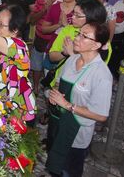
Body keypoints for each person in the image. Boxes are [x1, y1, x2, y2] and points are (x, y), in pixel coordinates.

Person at [46, 21, 112, 177]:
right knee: (56, 164)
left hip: (77, 132)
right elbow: (58, 82)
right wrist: (55, 94)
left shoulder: (102, 75)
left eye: (84, 36)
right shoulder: (72, 60)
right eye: (79, 33)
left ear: (96, 45)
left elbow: (101, 115)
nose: (77, 38)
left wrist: (68, 105)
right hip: (59, 123)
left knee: (69, 170)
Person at [29, 0, 62, 94]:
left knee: (52, 68)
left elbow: (61, 24)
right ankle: (36, 87)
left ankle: (50, 90)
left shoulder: (63, 2)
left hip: (55, 41)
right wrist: (44, 9)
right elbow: (32, 20)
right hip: (40, 38)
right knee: (36, 66)